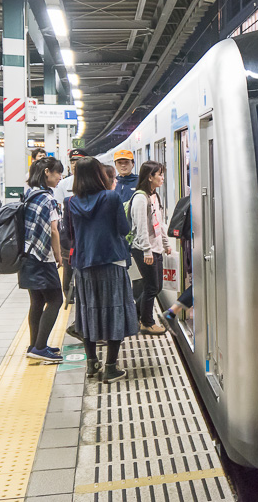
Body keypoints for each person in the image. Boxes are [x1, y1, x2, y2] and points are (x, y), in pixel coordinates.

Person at [65, 157, 138, 383]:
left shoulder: (70, 202)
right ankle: (111, 367)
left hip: (84, 265)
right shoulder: (111, 197)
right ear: (99, 175)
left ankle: (91, 363)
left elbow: (70, 235)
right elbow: (123, 228)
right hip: (111, 262)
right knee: (115, 309)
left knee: (88, 312)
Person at [21, 157, 65, 363]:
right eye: (57, 173)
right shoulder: (47, 198)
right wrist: (58, 256)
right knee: (56, 299)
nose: (60, 177)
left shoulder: (30, 194)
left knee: (37, 300)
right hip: (42, 257)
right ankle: (39, 348)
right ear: (47, 172)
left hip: (27, 255)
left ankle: (35, 345)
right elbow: (54, 230)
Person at [130, 161, 171, 335]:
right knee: (151, 287)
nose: (162, 178)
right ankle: (146, 322)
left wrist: (166, 243)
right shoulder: (140, 198)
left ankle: (135, 315)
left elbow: (159, 222)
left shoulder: (154, 196)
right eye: (159, 174)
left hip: (156, 248)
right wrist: (147, 250)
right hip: (143, 249)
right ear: (150, 177)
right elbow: (140, 227)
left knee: (156, 287)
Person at [54, 148, 88, 301]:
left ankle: (83, 291)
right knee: (68, 264)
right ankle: (68, 293)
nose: (74, 165)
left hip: (86, 230)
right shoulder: (64, 184)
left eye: (78, 161)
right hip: (69, 230)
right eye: (72, 162)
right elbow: (59, 206)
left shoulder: (90, 182)